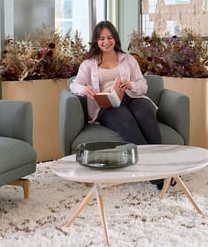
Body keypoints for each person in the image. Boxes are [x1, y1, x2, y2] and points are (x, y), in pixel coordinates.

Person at [70, 20, 164, 189]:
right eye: (101, 38)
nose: (106, 42)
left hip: (132, 98)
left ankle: (163, 167)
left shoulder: (127, 59)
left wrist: (131, 85)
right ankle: (158, 174)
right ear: (96, 41)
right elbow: (74, 85)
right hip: (108, 105)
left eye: (109, 37)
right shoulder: (88, 64)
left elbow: (143, 85)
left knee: (145, 113)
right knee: (125, 119)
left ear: (115, 39)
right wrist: (84, 89)